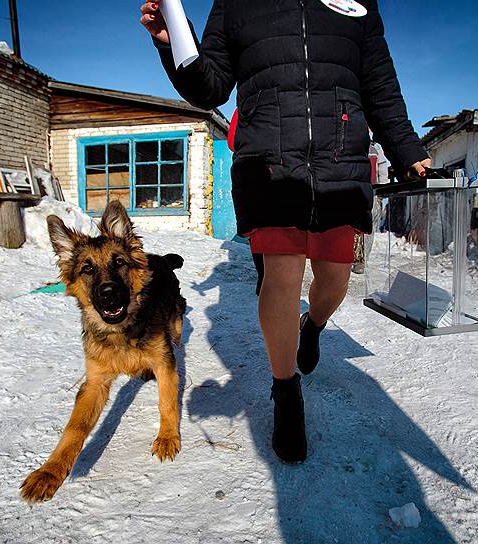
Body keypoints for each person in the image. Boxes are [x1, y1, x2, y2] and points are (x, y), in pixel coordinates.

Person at [141, 0, 430, 463]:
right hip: (269, 163)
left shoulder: (357, 3)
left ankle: (311, 326)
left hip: (341, 161)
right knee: (281, 275)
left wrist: (407, 148)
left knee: (334, 280)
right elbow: (211, 85)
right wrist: (173, 40)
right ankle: (285, 392)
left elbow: (379, 85)